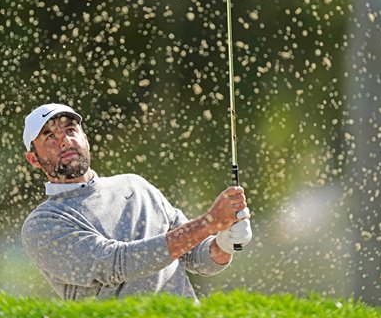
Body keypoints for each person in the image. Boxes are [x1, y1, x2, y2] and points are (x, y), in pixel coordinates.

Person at [21, 103, 252, 300]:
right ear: (33, 159)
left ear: (85, 139)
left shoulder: (134, 185)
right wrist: (209, 223)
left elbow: (196, 257)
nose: (65, 141)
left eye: (71, 130)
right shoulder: (43, 223)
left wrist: (223, 244)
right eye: (50, 136)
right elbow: (116, 263)